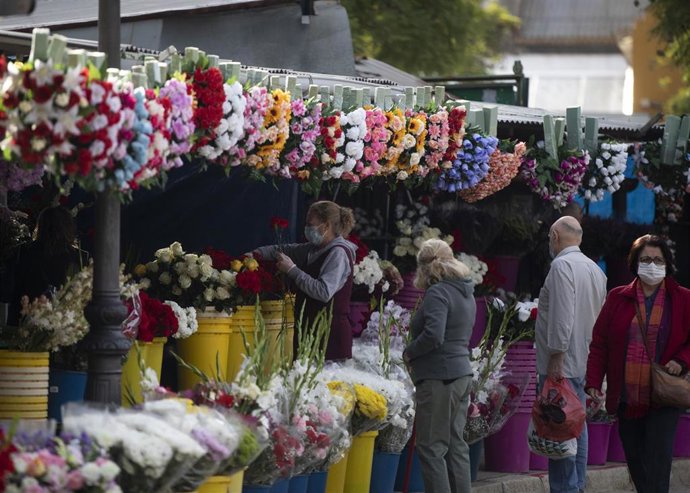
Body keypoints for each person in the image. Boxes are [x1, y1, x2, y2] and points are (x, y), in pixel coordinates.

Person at [586, 234, 690, 493]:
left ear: (667, 263)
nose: (652, 265)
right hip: (627, 396)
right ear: (635, 262)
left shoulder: (683, 298)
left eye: (657, 259)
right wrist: (593, 382)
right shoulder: (617, 297)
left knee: (658, 461)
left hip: (664, 395)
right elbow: (600, 343)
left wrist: (682, 360)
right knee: (635, 460)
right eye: (646, 259)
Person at [535, 215, 607, 493]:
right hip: (584, 358)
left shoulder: (562, 265)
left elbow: (562, 315)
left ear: (554, 236)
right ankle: (575, 486)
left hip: (563, 362)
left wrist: (556, 354)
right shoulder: (595, 269)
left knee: (560, 426)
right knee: (577, 424)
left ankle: (566, 488)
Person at [403, 238, 475, 493]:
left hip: (439, 377)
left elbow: (434, 335)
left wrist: (409, 352)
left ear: (423, 267)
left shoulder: (438, 292)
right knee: (456, 446)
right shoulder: (466, 290)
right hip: (461, 374)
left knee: (431, 448)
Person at [253, 200, 356, 360]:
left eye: (310, 224)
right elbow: (283, 250)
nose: (306, 228)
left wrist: (292, 270)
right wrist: (255, 255)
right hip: (308, 332)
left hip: (329, 338)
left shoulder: (338, 253)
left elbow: (323, 292)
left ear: (326, 226)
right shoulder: (313, 249)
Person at [7, 205, 86, 326]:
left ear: (41, 226)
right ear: (69, 227)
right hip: (66, 326)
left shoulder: (23, 252)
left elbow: (9, 291)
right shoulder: (80, 257)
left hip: (24, 323)